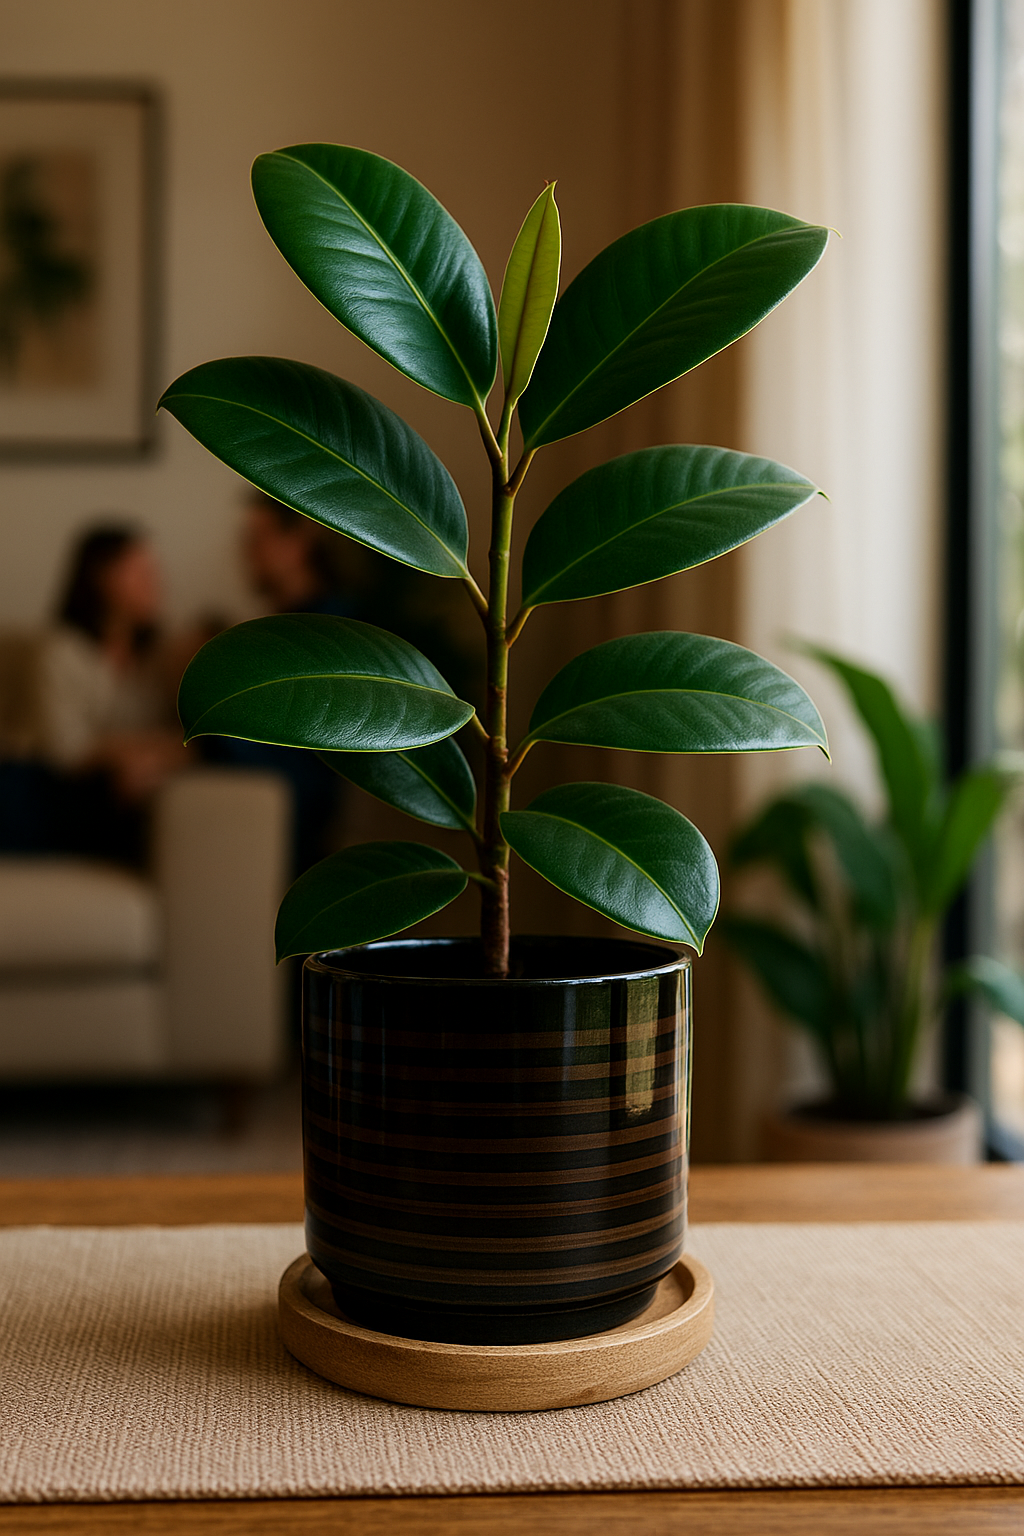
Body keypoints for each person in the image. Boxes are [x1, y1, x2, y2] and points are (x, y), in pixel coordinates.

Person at [34, 524, 188, 865]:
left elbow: (187, 736)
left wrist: (146, 760)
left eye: (155, 572)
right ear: (103, 577)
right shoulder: (64, 651)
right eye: (141, 572)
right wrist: (129, 755)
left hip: (139, 789)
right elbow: (66, 750)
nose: (155, 583)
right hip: (67, 792)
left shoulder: (161, 653)